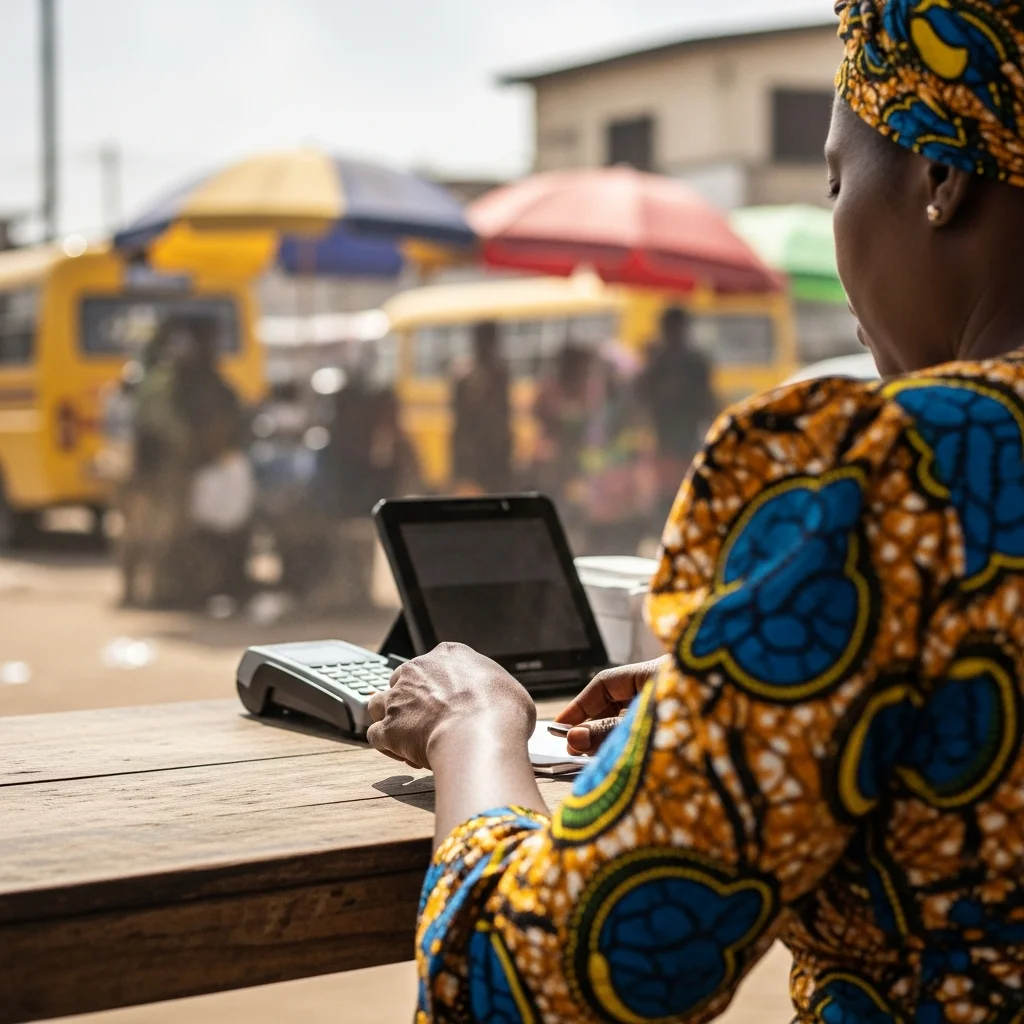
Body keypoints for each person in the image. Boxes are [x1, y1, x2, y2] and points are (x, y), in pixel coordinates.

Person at [365, 1, 1024, 1021]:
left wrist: (472, 727)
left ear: (941, 177)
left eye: (837, 181)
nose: (838, 225)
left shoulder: (903, 471)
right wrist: (754, 681)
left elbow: (535, 989)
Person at [637, 306, 717, 524]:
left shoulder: (687, 362)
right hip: (669, 437)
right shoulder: (663, 362)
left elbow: (705, 400)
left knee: (678, 492)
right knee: (677, 493)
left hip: (682, 436)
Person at [451, 321, 512, 494]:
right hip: (472, 448)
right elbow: (459, 416)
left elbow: (505, 411)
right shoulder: (464, 375)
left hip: (496, 448)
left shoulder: (499, 372)